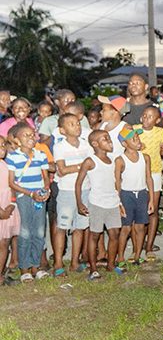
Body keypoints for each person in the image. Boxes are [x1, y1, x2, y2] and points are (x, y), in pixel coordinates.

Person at [75, 130, 123, 280]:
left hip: (112, 202)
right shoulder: (90, 161)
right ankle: (93, 268)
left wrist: (119, 201)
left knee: (114, 234)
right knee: (95, 235)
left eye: (109, 138)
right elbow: (78, 183)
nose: (109, 141)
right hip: (97, 203)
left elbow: (116, 182)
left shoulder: (113, 160)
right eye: (105, 139)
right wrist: (79, 202)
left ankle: (110, 264)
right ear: (95, 144)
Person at [6, 123, 50, 282]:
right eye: (26, 135)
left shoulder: (40, 154)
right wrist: (31, 194)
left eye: (33, 135)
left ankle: (35, 266)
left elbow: (45, 177)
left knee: (39, 231)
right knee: (25, 232)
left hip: (39, 196)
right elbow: (11, 183)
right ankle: (24, 268)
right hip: (24, 197)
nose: (31, 138)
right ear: (17, 140)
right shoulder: (12, 157)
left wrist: (46, 190)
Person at [52, 114, 93, 276]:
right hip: (67, 191)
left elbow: (93, 164)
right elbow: (61, 170)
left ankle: (75, 262)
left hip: (86, 190)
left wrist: (77, 167)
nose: (77, 126)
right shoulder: (60, 147)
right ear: (62, 130)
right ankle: (58, 263)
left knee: (80, 227)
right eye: (71, 124)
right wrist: (82, 166)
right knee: (62, 227)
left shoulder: (86, 145)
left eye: (78, 123)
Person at [115, 126, 154, 265]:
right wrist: (119, 202)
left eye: (137, 137)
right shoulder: (120, 160)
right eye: (133, 138)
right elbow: (117, 182)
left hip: (142, 194)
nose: (137, 139)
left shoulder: (145, 157)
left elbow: (149, 178)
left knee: (140, 227)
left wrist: (151, 200)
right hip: (126, 195)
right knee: (125, 228)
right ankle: (120, 257)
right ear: (124, 143)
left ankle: (137, 256)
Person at [139, 106, 163, 261]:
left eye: (150, 116)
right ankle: (139, 243)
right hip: (136, 174)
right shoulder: (134, 130)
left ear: (157, 120)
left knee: (153, 210)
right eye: (144, 115)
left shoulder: (160, 132)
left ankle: (149, 245)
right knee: (138, 212)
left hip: (155, 173)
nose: (146, 118)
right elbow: (123, 143)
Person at [0, 135, 20, 285]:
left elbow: (12, 185)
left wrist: (12, 204)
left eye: (3, 145)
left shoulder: (7, 164)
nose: (2, 149)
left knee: (5, 242)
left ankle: (0, 275)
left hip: (8, 205)